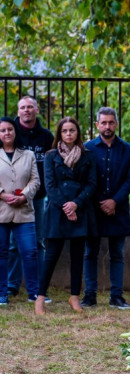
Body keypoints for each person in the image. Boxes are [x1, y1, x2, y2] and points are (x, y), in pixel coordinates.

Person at [35, 117, 97, 315]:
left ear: (77, 133)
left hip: (80, 210)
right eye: (65, 131)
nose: (68, 134)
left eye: (72, 130)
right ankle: (40, 298)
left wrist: (76, 204)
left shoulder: (87, 156)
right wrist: (66, 207)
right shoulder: (51, 156)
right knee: (51, 255)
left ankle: (74, 296)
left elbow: (91, 184)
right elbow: (50, 186)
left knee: (78, 256)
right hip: (57, 211)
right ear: (59, 134)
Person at [82, 107, 130, 309]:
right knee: (90, 253)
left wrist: (114, 201)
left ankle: (116, 296)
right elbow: (85, 178)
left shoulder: (127, 149)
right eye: (103, 123)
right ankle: (90, 295)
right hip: (93, 209)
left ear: (116, 124)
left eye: (111, 122)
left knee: (117, 254)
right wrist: (101, 201)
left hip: (118, 208)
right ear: (97, 125)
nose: (107, 126)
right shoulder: (87, 148)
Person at [8, 95, 53, 299]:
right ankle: (12, 285)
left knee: (39, 242)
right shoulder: (10, 134)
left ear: (36, 110)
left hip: (38, 197)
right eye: (23, 107)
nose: (26, 110)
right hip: (12, 199)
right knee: (13, 244)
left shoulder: (46, 137)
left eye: (30, 107)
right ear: (18, 112)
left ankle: (39, 289)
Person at [0, 117, 40, 305]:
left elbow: (35, 180)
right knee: (2, 253)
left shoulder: (28, 154)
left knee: (30, 252)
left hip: (24, 210)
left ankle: (34, 293)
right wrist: (2, 195)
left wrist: (24, 196)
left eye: (10, 129)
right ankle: (2, 294)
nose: (7, 133)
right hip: (2, 210)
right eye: (2, 130)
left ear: (15, 131)